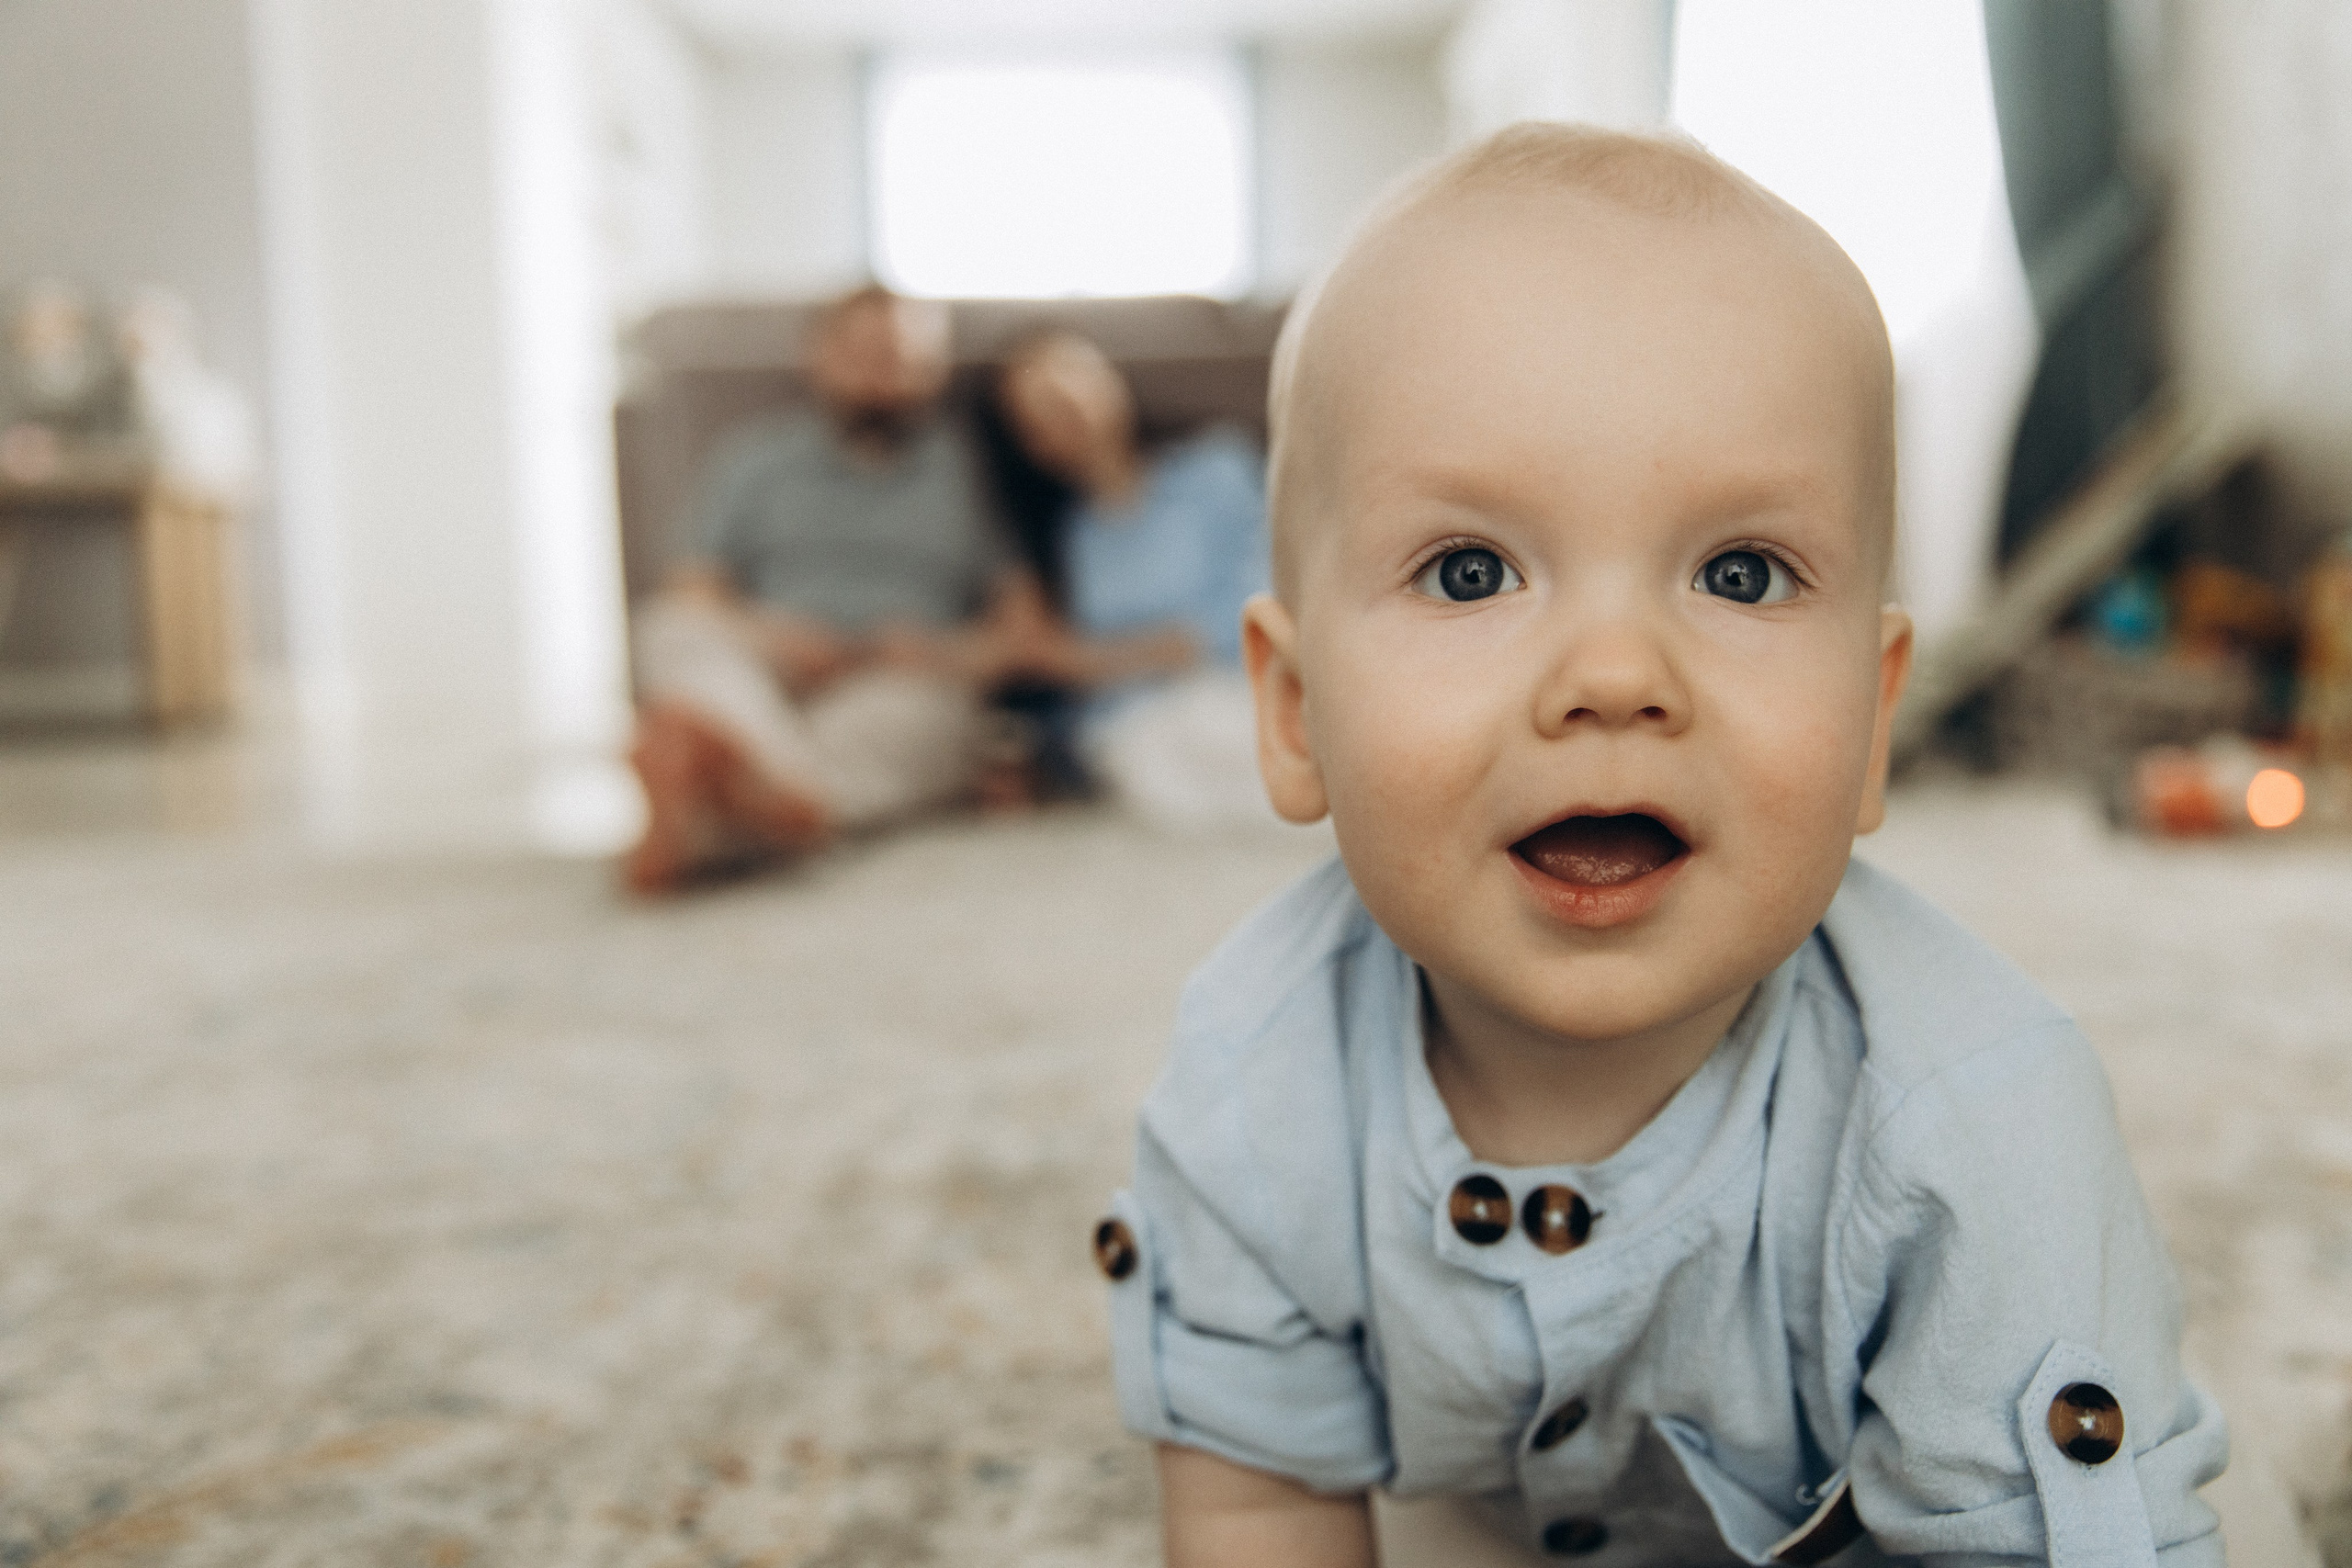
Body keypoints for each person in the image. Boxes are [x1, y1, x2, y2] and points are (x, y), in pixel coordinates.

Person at [1092, 124, 2225, 1566]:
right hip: (1486, 1502)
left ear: (1873, 722)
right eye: (1471, 569)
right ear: (1298, 712)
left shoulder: (1976, 1123)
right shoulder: (1256, 1076)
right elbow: (1259, 1499)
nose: (1615, 671)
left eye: (1740, 573)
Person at [625, 285, 1052, 894]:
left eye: (907, 355)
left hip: (903, 675)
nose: (886, 371)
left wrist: (937, 651)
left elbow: (1026, 633)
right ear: (817, 356)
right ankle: (754, 780)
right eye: (866, 352)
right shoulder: (755, 457)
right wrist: (774, 636)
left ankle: (719, 803)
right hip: (768, 668)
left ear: (937, 369)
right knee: (670, 628)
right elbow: (693, 592)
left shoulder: (975, 470)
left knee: (928, 718)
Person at [992, 330, 1278, 830]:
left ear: (1112, 379)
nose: (1065, 410)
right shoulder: (1062, 537)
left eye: (1071, 382)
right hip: (1131, 726)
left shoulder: (1217, 467)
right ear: (1028, 444)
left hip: (1240, 682)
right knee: (1159, 770)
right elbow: (1059, 688)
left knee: (1235, 735)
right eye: (1039, 413)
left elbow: (1260, 601)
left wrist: (1096, 660)